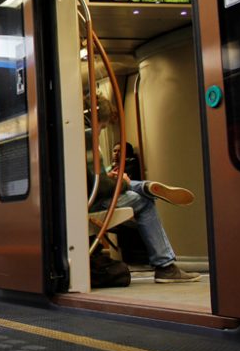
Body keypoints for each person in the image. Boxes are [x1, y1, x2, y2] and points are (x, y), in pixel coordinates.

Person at [85, 94, 200, 283]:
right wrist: (122, 182)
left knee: (132, 189)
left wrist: (111, 177)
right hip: (93, 202)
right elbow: (99, 185)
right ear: (96, 120)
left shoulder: (71, 131)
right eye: (102, 126)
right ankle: (165, 266)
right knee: (144, 202)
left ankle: (142, 187)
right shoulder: (87, 135)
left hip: (87, 197)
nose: (100, 132)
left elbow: (92, 178)